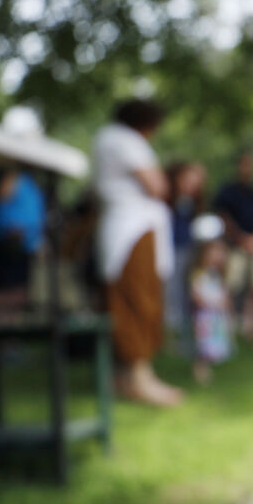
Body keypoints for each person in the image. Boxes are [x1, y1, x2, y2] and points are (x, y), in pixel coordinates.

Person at [92, 99, 181, 405]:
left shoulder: (107, 138)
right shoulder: (123, 139)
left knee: (130, 300)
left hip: (127, 229)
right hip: (133, 231)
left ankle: (128, 377)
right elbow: (156, 186)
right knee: (137, 301)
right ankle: (138, 378)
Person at [0, 168, 45, 312]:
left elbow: (5, 193)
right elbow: (2, 193)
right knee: (9, 290)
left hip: (19, 246)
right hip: (4, 245)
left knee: (18, 290)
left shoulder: (22, 177)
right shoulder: (1, 176)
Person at [214, 150, 253, 341]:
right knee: (231, 285)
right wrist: (241, 238)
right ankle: (227, 327)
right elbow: (224, 217)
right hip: (235, 245)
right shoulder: (228, 191)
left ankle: (250, 328)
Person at [187, 214, 234, 384]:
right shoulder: (199, 274)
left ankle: (208, 366)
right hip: (204, 317)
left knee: (214, 343)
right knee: (203, 345)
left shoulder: (218, 276)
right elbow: (196, 295)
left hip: (216, 317)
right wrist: (213, 303)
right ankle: (200, 369)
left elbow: (225, 295)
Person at [165, 161, 207, 345]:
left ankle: (184, 334)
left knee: (185, 293)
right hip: (170, 250)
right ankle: (169, 333)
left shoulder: (193, 203)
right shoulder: (167, 199)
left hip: (187, 250)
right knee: (170, 291)